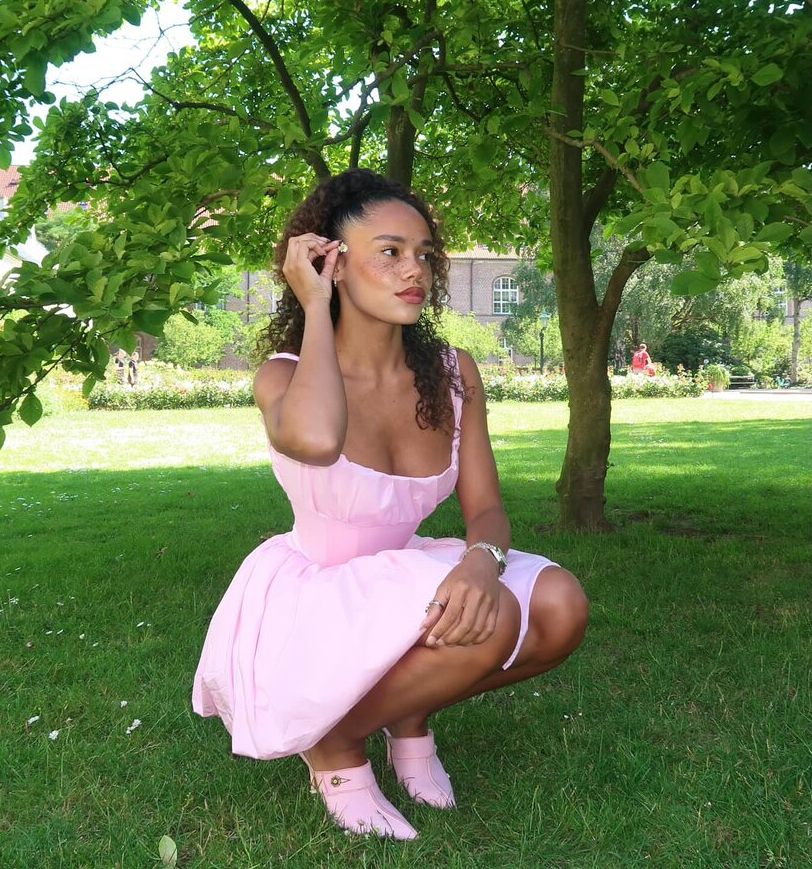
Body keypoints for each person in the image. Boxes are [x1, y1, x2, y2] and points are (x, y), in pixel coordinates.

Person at [192, 169, 588, 840]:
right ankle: (335, 745)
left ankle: (406, 715)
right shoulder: (283, 375)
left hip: (403, 573)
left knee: (560, 607)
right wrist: (315, 306)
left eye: (424, 254)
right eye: (390, 252)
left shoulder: (452, 373)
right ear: (332, 263)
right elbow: (317, 441)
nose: (415, 271)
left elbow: (487, 511)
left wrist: (482, 561)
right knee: (492, 622)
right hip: (318, 597)